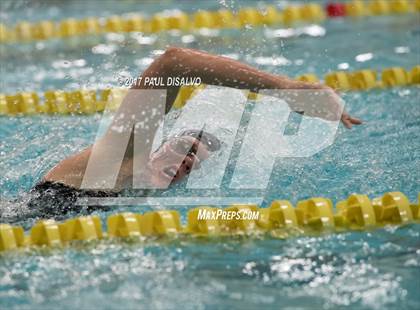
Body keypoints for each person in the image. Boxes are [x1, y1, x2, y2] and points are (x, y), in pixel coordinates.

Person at [28, 47, 362, 216]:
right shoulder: (124, 156)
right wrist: (286, 89)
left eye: (193, 163)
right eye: (186, 147)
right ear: (160, 144)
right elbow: (174, 61)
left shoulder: (137, 195)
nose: (187, 161)